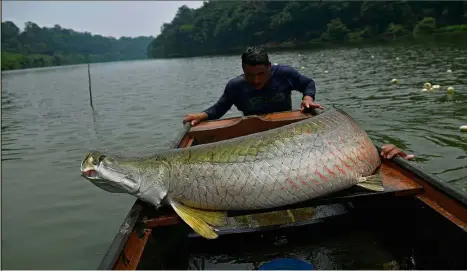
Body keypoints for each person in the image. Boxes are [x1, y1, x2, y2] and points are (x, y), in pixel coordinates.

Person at [183, 46, 414, 160]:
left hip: (288, 129)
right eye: (249, 75)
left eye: (261, 74)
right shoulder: (235, 85)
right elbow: (220, 108)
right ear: (243, 70)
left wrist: (307, 99)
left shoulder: (284, 74)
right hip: (252, 136)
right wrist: (201, 116)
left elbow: (308, 83)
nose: (255, 81)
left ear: (270, 67)